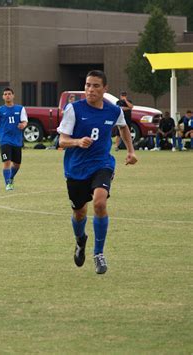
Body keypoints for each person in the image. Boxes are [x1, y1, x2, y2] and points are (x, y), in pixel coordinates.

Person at [57, 70, 137, 274]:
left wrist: (130, 151)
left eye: (95, 86)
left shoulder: (113, 111)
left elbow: (123, 128)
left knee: (100, 203)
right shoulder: (73, 109)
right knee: (79, 212)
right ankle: (80, 240)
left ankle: (99, 253)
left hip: (102, 164)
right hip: (76, 169)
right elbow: (61, 141)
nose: (90, 89)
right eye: (87, 85)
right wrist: (77, 141)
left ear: (105, 89)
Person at [0, 87, 28, 191]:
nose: (7, 96)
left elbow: (25, 121)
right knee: (7, 162)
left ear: (13, 95)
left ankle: (10, 177)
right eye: (5, 94)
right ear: (3, 97)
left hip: (17, 141)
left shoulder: (20, 109)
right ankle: (8, 184)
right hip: (5, 141)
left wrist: (23, 125)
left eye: (9, 94)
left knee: (17, 165)